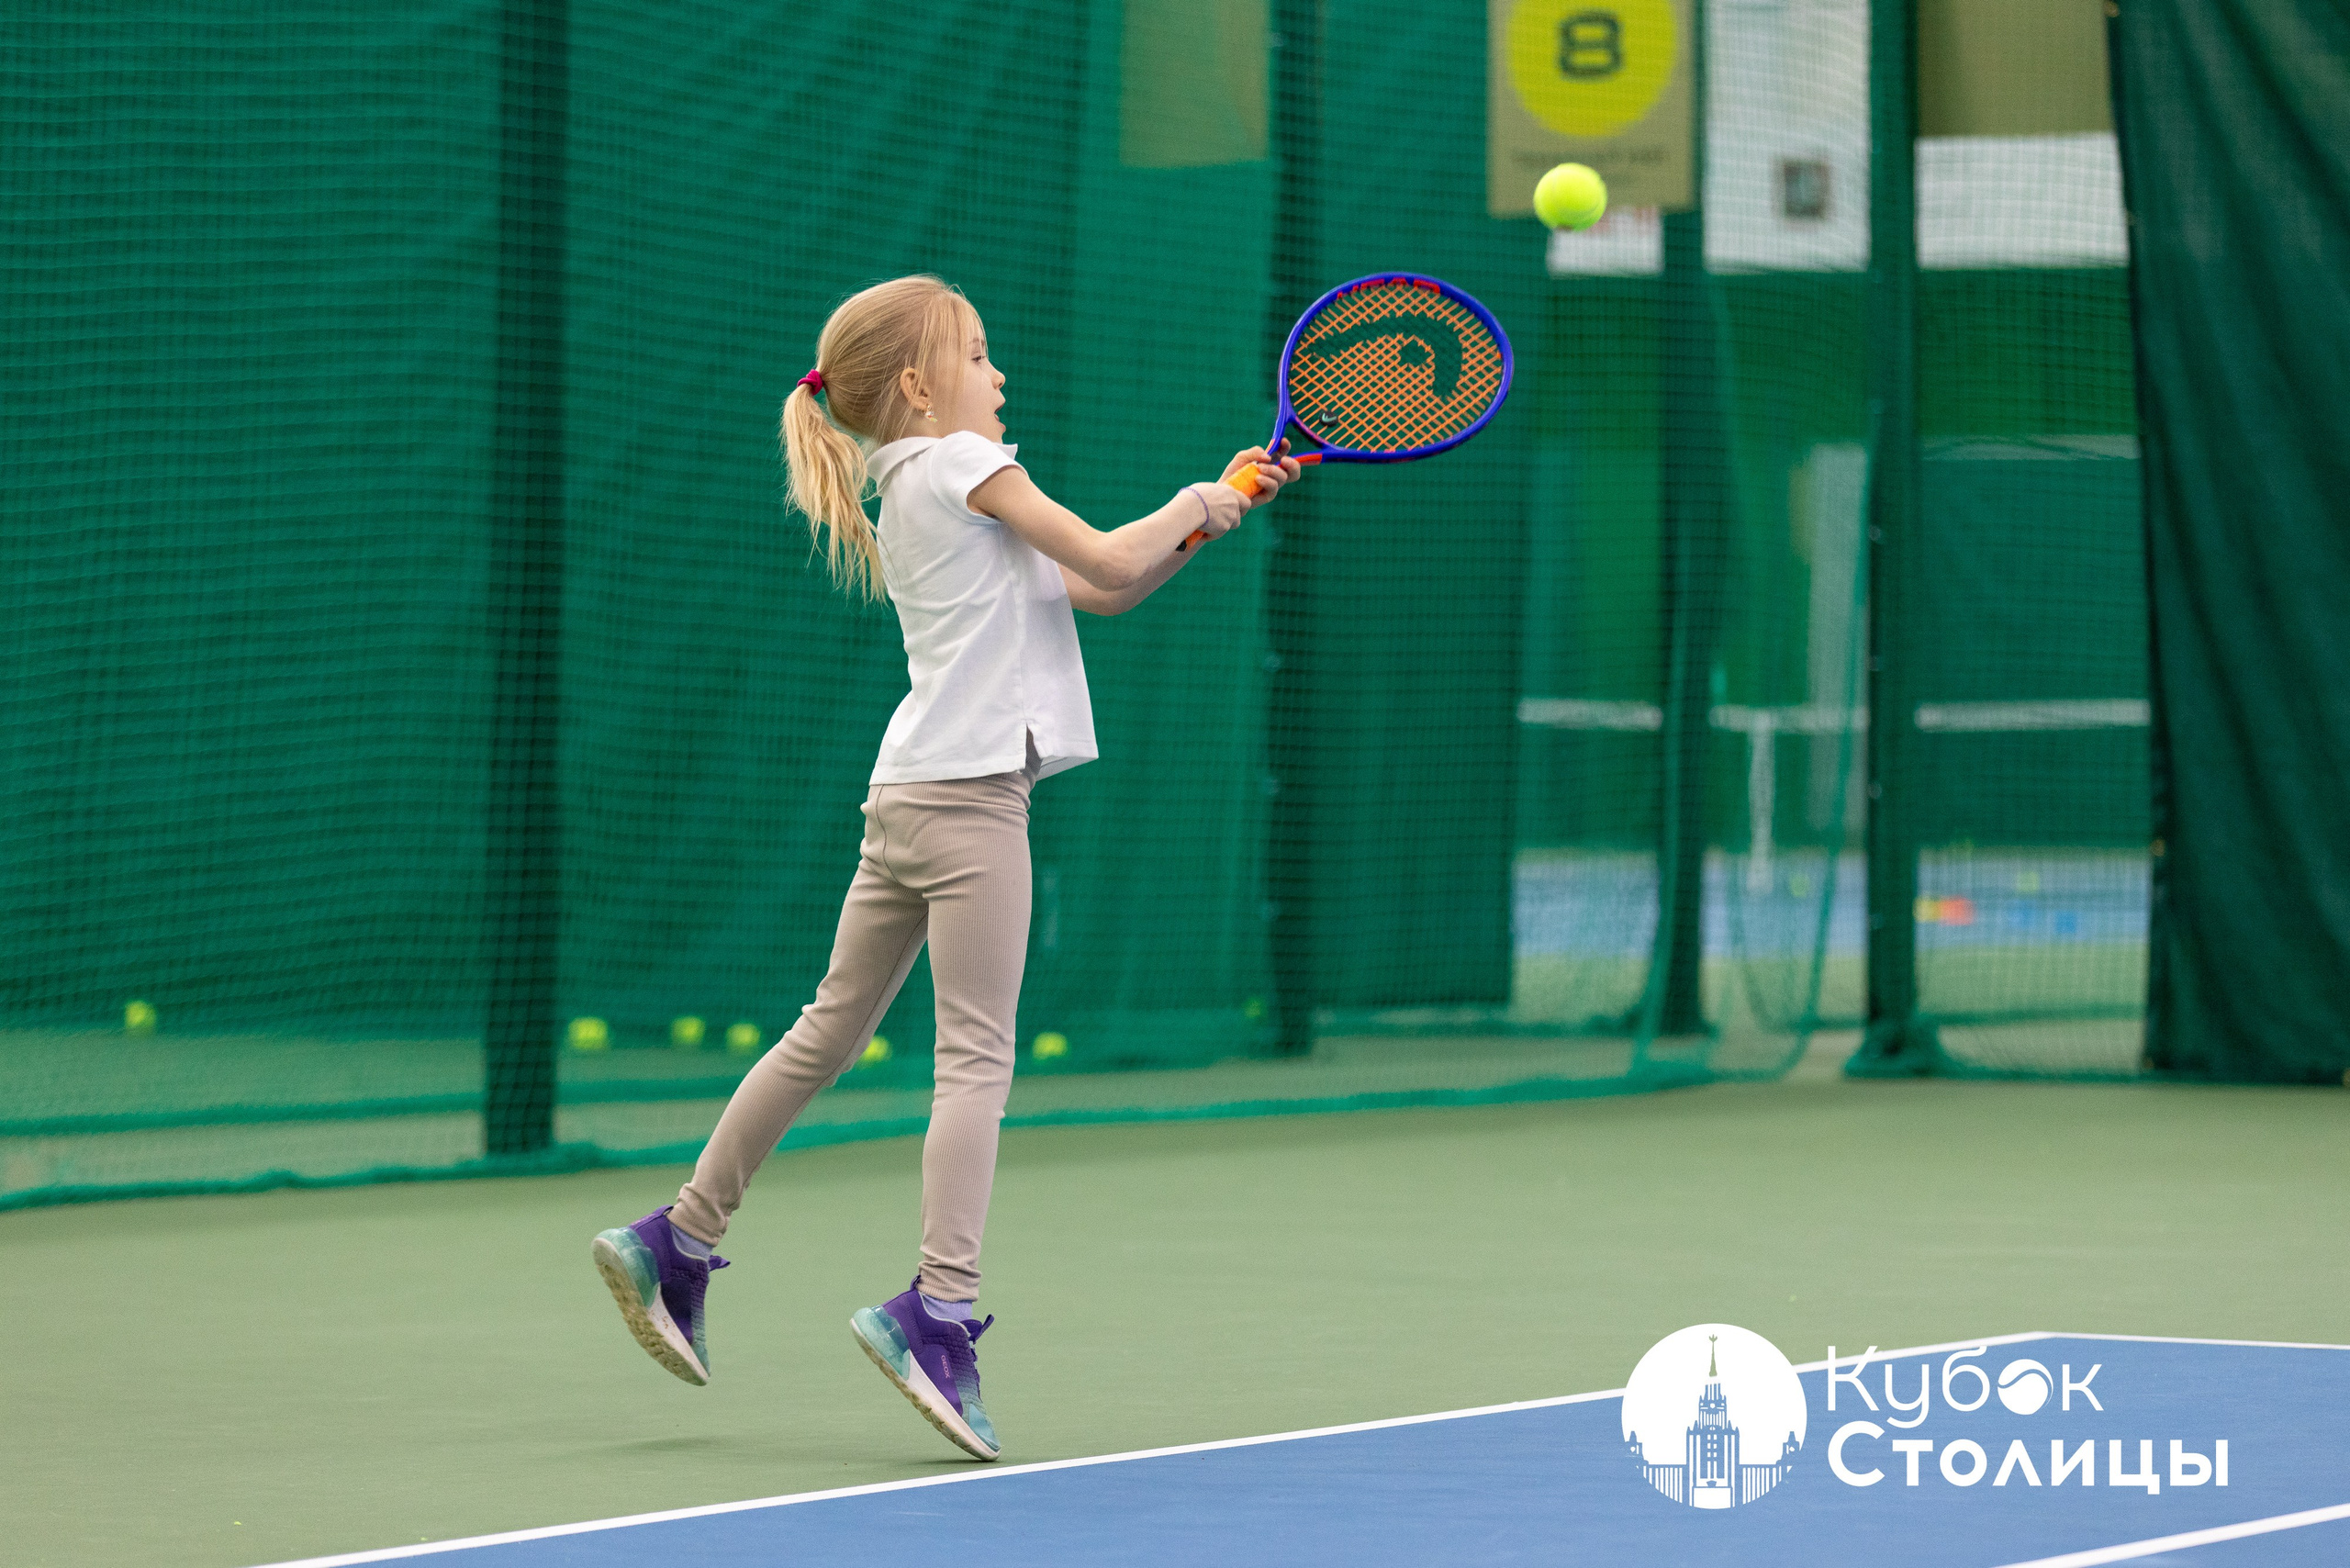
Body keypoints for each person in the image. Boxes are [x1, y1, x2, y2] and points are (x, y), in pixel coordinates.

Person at [590, 274, 1301, 1461]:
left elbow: (1096, 592)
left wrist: (1205, 519)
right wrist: (1203, 499)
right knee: (974, 1058)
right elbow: (1106, 556)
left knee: (825, 1032)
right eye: (977, 354)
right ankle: (939, 1312)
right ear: (919, 387)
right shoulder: (969, 466)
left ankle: (678, 1237)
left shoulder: (910, 482)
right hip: (972, 803)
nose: (998, 373)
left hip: (909, 796)